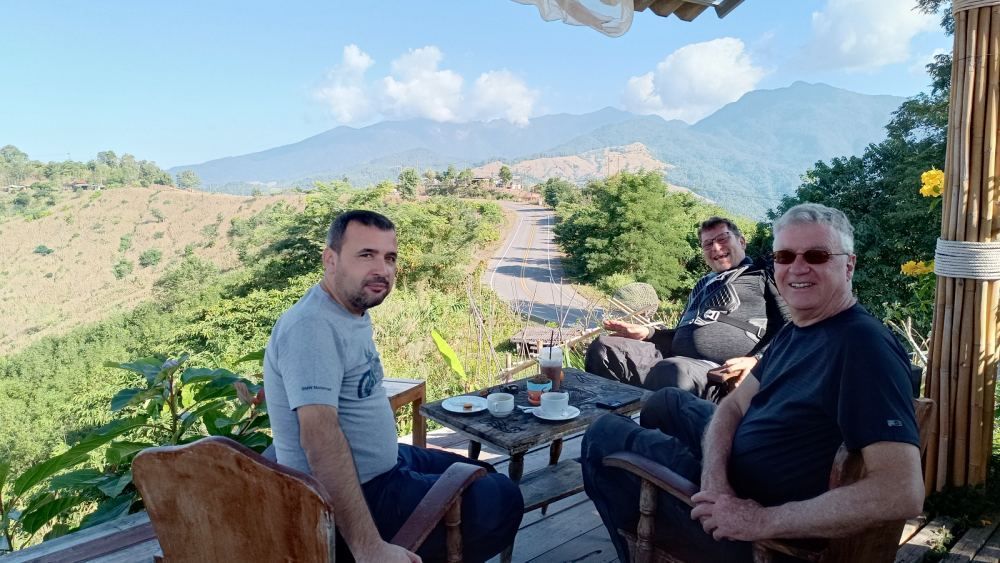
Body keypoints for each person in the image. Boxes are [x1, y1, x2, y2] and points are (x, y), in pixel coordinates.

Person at [581, 203, 924, 562]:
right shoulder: (801, 330)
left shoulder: (862, 347)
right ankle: (681, 489)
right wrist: (715, 479)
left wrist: (759, 520)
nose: (798, 267)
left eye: (817, 255)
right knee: (666, 400)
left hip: (759, 525)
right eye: (785, 255)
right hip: (732, 480)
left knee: (603, 435)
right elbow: (733, 405)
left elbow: (900, 491)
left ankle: (653, 540)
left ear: (848, 264)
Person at [263, 210, 523, 563]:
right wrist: (369, 547)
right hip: (357, 494)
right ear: (330, 259)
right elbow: (318, 436)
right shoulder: (312, 327)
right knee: (501, 500)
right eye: (366, 255)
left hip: (386, 465)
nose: (382, 269)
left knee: (487, 474)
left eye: (390, 258)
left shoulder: (348, 310)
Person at [586, 217, 789, 400]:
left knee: (671, 370)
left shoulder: (762, 275)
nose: (716, 248)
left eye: (723, 239)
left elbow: (790, 325)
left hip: (719, 372)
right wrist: (649, 333)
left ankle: (661, 438)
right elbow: (688, 333)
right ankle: (613, 420)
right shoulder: (703, 284)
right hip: (675, 359)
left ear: (742, 242)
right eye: (708, 244)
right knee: (604, 348)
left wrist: (759, 361)